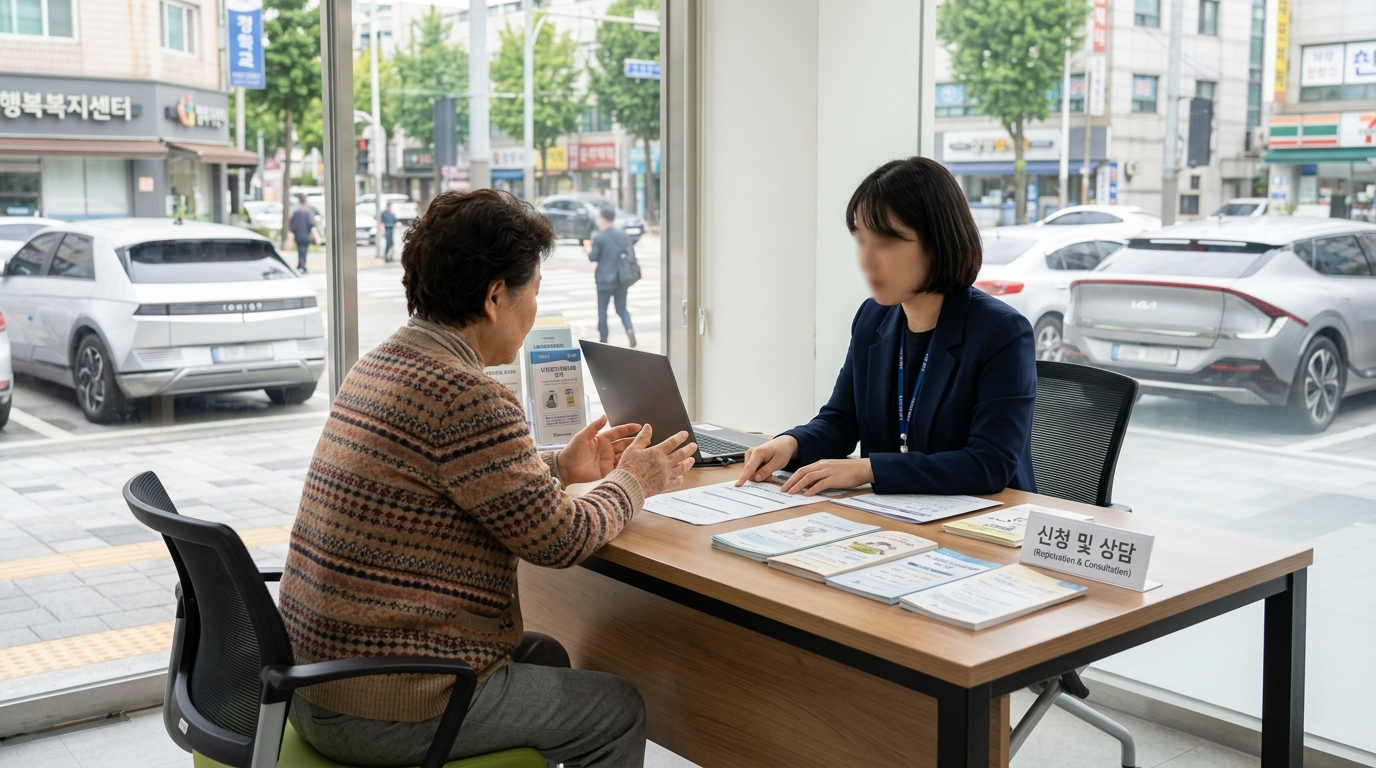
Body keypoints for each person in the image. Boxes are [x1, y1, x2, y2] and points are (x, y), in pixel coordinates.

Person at [279, 189, 697, 767]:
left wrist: (560, 469)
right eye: (534, 292)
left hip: (319, 679)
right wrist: (634, 481)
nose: (533, 312)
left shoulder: (381, 363)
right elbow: (562, 540)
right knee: (615, 706)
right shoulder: (468, 395)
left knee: (546, 654)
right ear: (497, 296)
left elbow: (453, 485)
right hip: (384, 705)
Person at [736, 156, 1037, 497]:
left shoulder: (1001, 332)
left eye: (884, 243)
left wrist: (868, 469)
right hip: (893, 521)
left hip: (983, 526)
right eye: (861, 240)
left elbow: (989, 463)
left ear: (937, 244)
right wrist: (790, 444)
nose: (866, 260)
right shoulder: (872, 319)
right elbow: (840, 420)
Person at [583, 206, 637, 347]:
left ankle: (604, 339)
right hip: (621, 279)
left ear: (602, 219)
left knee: (602, 310)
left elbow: (593, 257)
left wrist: (588, 249)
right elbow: (631, 255)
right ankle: (629, 329)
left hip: (604, 280)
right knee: (621, 309)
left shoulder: (600, 237)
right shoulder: (623, 235)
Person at [289, 195, 315, 273]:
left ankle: (300, 265)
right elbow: (311, 225)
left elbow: (292, 226)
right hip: (306, 235)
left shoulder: (296, 212)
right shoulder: (308, 212)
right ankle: (303, 265)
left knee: (300, 250)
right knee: (304, 250)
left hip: (298, 235)